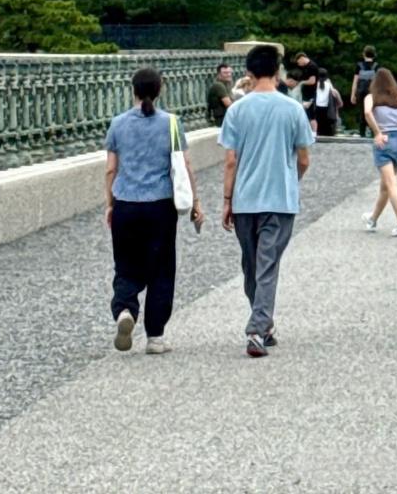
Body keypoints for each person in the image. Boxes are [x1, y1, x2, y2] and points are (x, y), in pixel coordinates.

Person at [220, 45, 314, 358]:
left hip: (245, 199)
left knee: (251, 265)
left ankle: (259, 325)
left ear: (248, 71)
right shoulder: (293, 109)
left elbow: (230, 160)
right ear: (278, 71)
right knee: (267, 264)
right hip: (279, 199)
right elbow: (304, 158)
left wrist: (227, 199)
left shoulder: (237, 110)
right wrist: (291, 180)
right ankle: (261, 327)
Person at [105, 67, 205, 355]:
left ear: (133, 90)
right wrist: (196, 202)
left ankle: (125, 309)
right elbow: (185, 166)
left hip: (126, 204)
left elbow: (111, 169)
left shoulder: (118, 124)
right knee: (161, 268)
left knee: (126, 264)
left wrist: (110, 204)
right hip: (160, 205)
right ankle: (155, 337)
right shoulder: (171, 123)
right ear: (159, 90)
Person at [362, 68, 397, 236]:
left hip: (384, 140)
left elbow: (367, 112)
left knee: (391, 184)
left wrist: (377, 132)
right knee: (385, 186)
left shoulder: (371, 97)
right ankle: (372, 219)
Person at [351, 46, 379, 137]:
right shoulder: (376, 66)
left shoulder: (359, 66)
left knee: (362, 112)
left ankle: (362, 133)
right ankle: (373, 133)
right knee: (373, 112)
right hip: (372, 93)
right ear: (374, 55)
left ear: (364, 54)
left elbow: (355, 81)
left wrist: (353, 94)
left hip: (361, 92)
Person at [293, 52, 319, 130]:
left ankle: (314, 132)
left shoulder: (312, 66)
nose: (299, 64)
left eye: (298, 62)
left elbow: (312, 81)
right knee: (306, 113)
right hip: (305, 94)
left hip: (311, 93)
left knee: (311, 115)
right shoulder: (305, 67)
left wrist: (301, 83)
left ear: (301, 58)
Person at [314, 68, 342, 137]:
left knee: (318, 130)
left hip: (316, 109)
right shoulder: (329, 85)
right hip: (327, 110)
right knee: (327, 131)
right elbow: (335, 95)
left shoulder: (314, 85)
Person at [207, 62, 233, 126]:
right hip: (220, 120)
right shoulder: (219, 85)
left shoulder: (227, 85)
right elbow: (229, 104)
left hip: (224, 118)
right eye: (225, 73)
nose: (228, 74)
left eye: (230, 72)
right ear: (219, 74)